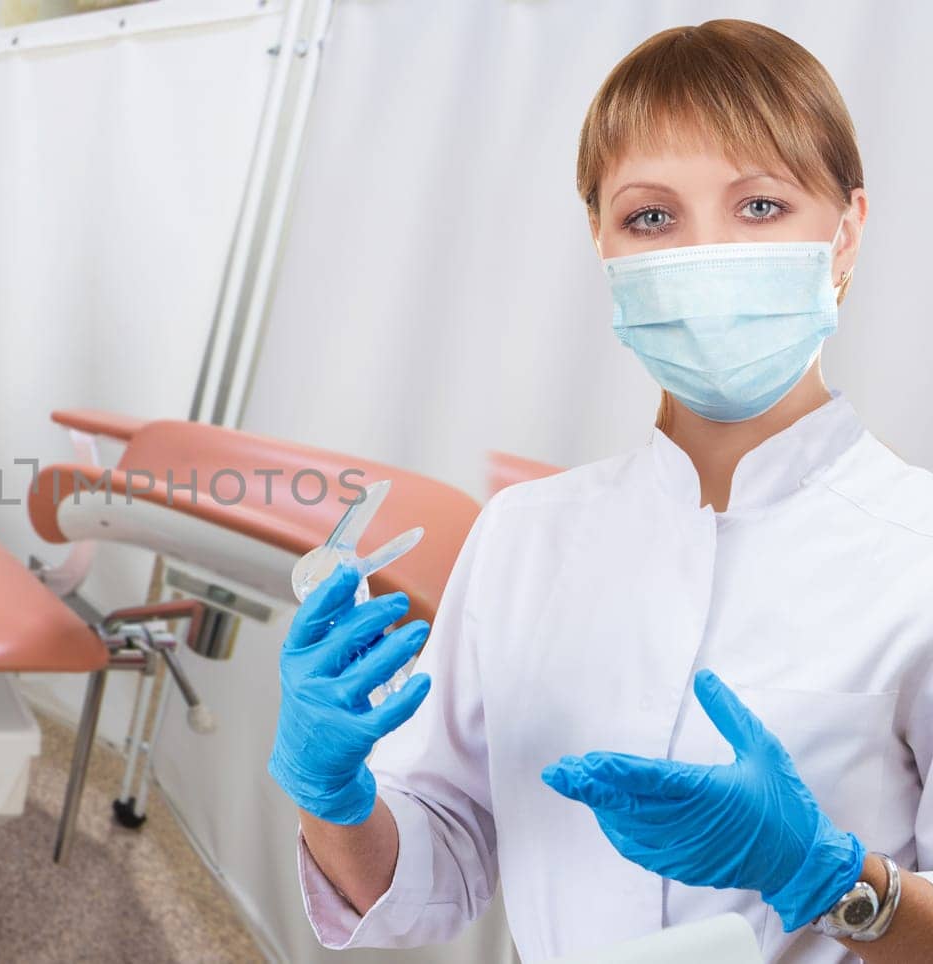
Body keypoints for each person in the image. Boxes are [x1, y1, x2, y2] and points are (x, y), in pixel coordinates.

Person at [267, 20, 933, 962]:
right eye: (652, 217)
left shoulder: (920, 556)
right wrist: (331, 798)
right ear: (603, 243)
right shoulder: (525, 535)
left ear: (848, 231)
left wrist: (833, 883)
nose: (703, 256)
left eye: (760, 207)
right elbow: (434, 877)